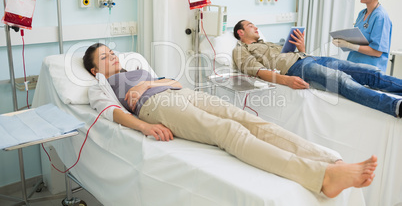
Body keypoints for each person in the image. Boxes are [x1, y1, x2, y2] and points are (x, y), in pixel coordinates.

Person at [83, 43, 377, 198]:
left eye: (112, 53)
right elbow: (112, 113)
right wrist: (145, 127)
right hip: (157, 106)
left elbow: (170, 79)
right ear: (95, 68)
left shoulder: (138, 71)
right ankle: (319, 176)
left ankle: (329, 161)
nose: (114, 58)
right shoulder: (101, 85)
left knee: (249, 120)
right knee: (228, 131)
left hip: (178, 92)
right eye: (105, 58)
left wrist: (144, 84)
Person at [232, 20, 402, 118]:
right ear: (240, 32)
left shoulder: (266, 43)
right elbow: (259, 71)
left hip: (311, 58)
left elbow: (295, 54)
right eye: (250, 25)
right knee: (341, 80)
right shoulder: (240, 50)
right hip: (296, 69)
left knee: (366, 71)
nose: (256, 28)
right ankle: (395, 106)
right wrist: (287, 80)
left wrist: (301, 47)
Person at [332, 0, 392, 73]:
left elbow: (377, 52)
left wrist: (349, 45)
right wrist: (343, 41)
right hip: (353, 66)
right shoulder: (362, 14)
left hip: (369, 72)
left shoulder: (381, 16)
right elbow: (358, 40)